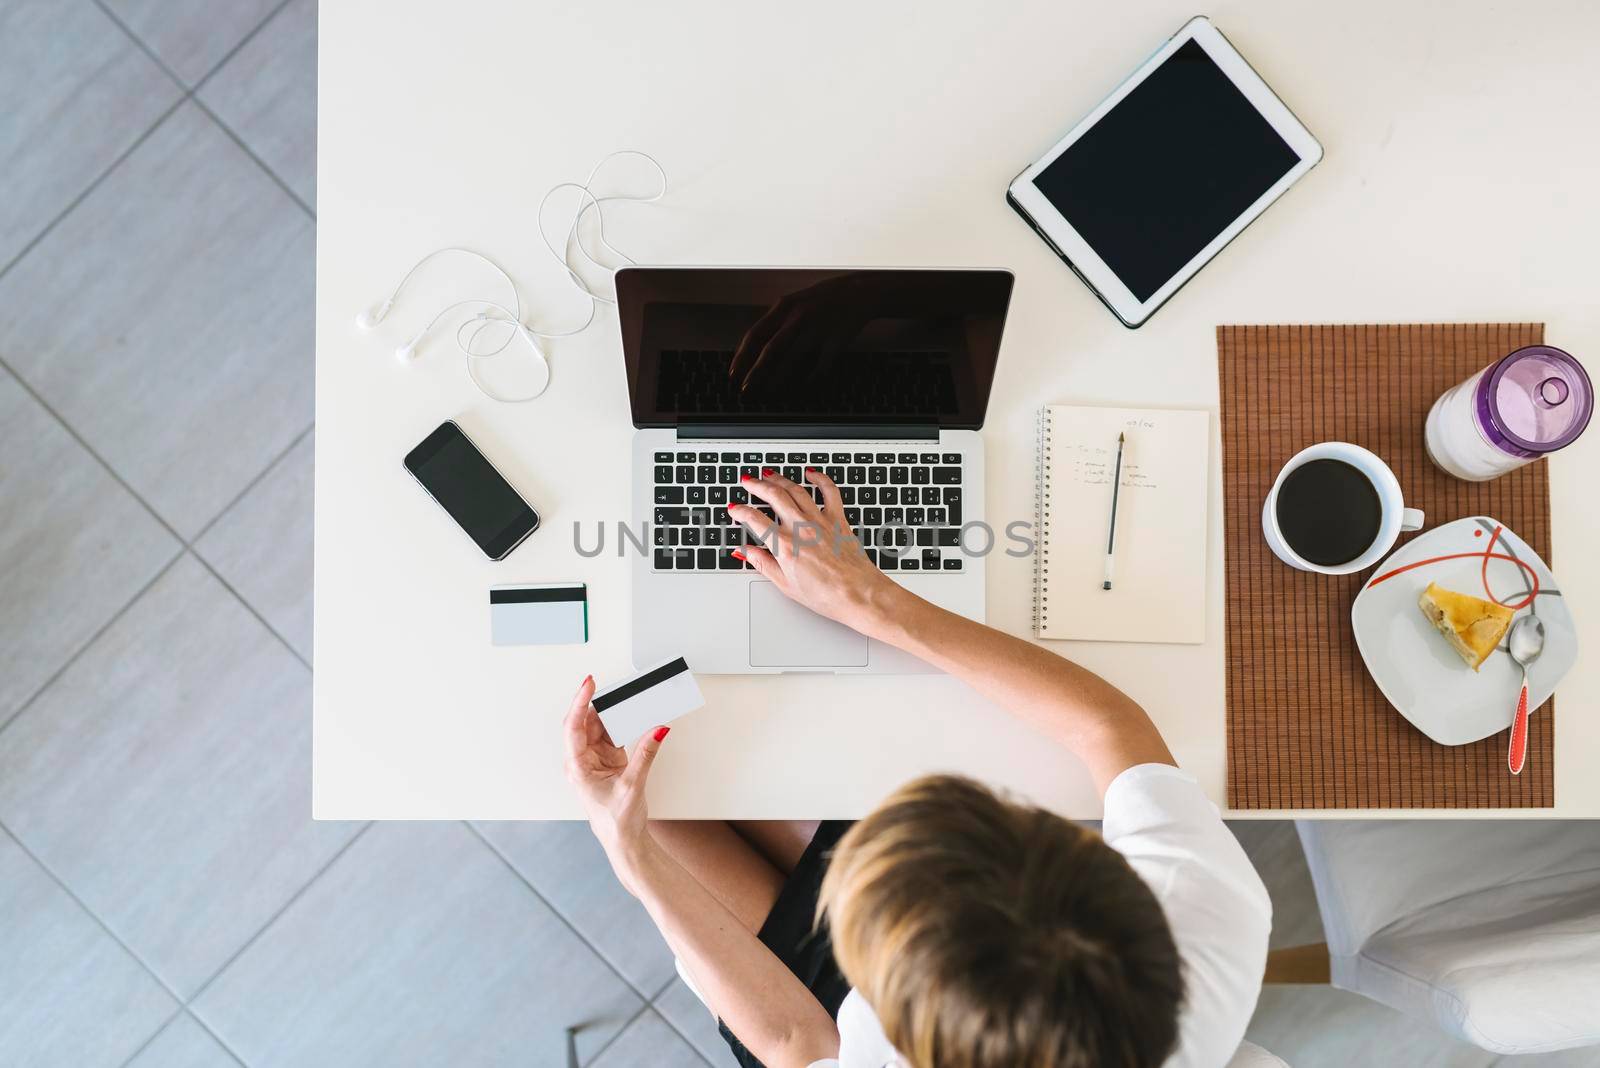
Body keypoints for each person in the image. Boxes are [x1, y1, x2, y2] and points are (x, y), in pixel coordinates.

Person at [562, 469, 1272, 1068]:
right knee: (699, 764)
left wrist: (631, 856)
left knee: (658, 810)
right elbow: (1108, 726)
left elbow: (799, 1042)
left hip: (819, 1016)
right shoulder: (1202, 905)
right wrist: (871, 600)